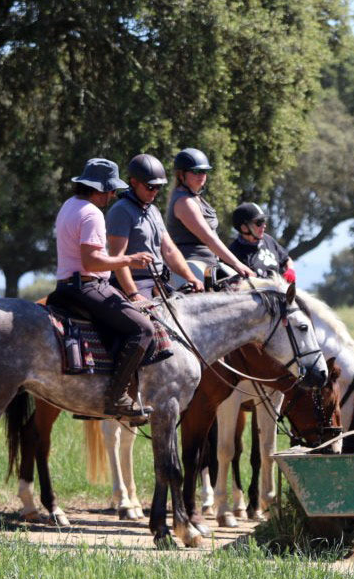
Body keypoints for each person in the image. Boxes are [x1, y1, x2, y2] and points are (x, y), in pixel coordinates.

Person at [54, 158, 155, 419]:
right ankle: (116, 397)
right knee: (143, 329)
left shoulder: (69, 205)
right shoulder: (92, 213)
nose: (113, 195)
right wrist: (129, 260)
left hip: (64, 287)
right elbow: (92, 261)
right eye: (111, 190)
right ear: (99, 189)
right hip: (87, 286)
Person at [106, 153, 204, 300]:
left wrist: (191, 278)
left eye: (158, 187)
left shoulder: (153, 210)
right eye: (150, 187)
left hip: (158, 283)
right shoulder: (121, 211)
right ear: (134, 182)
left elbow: (170, 250)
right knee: (150, 323)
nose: (154, 192)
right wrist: (134, 294)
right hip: (133, 284)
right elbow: (117, 257)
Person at [165, 147, 253, 285]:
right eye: (196, 171)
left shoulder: (196, 197)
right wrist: (237, 264)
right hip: (190, 266)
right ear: (181, 175)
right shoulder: (185, 202)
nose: (201, 175)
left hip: (209, 264)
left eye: (204, 171)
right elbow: (208, 238)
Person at [228, 202, 296, 281]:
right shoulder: (233, 253)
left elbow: (286, 259)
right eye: (259, 222)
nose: (264, 225)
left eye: (264, 220)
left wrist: (290, 270)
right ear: (244, 228)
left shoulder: (269, 240)